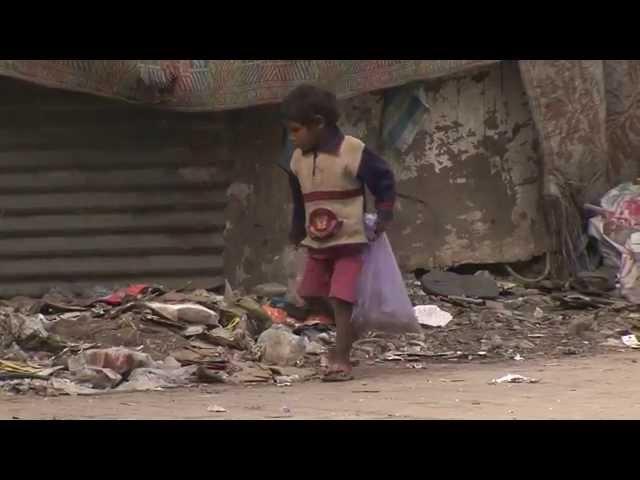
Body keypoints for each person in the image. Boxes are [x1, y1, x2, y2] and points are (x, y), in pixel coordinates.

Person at [280, 84, 396, 381]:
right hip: (317, 243)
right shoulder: (297, 161)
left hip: (349, 242)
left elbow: (383, 178)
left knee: (341, 297)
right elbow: (298, 199)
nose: (292, 139)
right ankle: (350, 328)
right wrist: (296, 229)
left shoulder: (351, 151)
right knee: (309, 294)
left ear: (318, 123)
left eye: (295, 131)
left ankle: (341, 357)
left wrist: (384, 213)